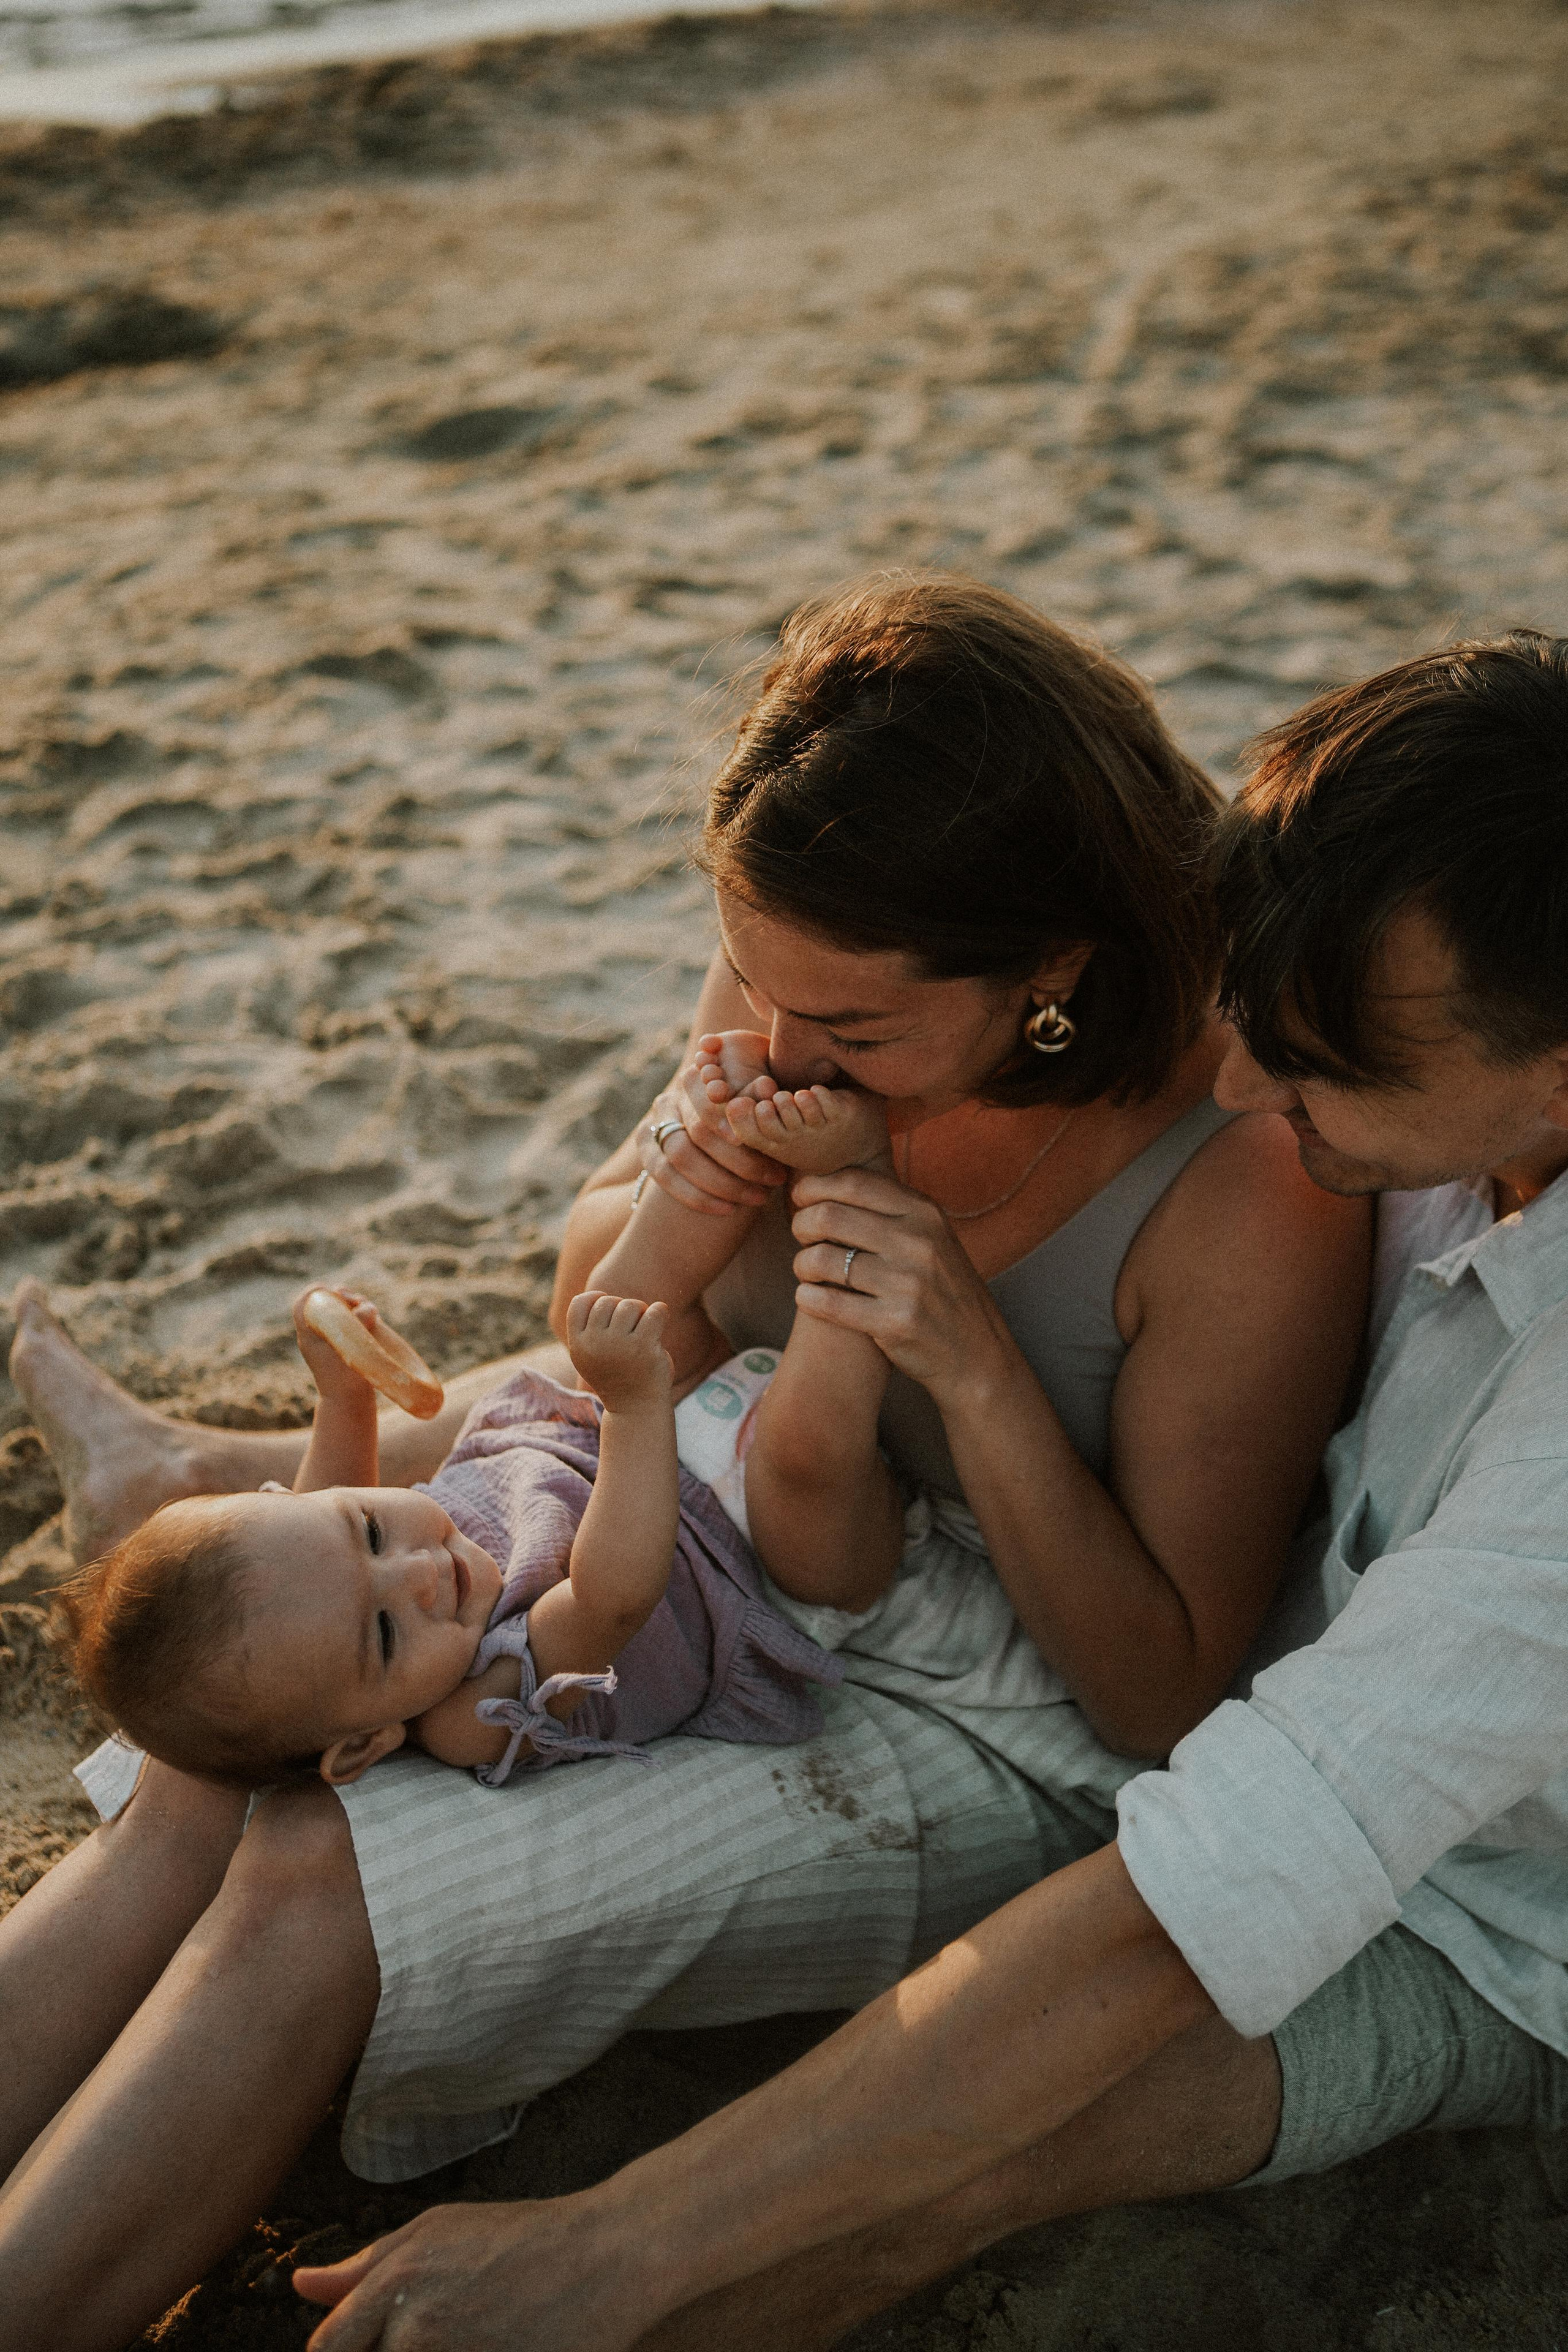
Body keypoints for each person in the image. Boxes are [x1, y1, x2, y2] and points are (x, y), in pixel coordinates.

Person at [0, 576, 1365, 2351]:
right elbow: (607, 1307)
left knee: (318, 1872)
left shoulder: (1239, 1175)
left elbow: (1163, 1693)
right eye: (761, 992)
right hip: (698, 1516)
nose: (784, 1053)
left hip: (979, 1704)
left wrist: (969, 1359)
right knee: (234, 1750)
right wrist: (693, 1189)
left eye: (853, 1035)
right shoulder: (809, 952)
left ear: (1055, 974)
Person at [281, 626, 1568, 2352]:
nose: (1252, 1084)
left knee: (956, 2175)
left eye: (1324, 1055)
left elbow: (1206, 1879)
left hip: (1501, 1934)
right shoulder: (1433, 1071)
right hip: (1243, 1725)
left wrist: (610, 2240)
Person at [60, 1281, 846, 1795]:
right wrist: (637, 1407)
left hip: (648, 1447)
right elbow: (613, 1598)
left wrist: (343, 1393)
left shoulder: (323, 1585)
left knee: (635, 1270)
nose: (416, 1575)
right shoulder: (470, 1712)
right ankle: (843, 1269)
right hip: (745, 1547)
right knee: (817, 1432)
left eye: (369, 1530)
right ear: (362, 1744)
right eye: (383, 1630)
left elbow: (326, 1500)